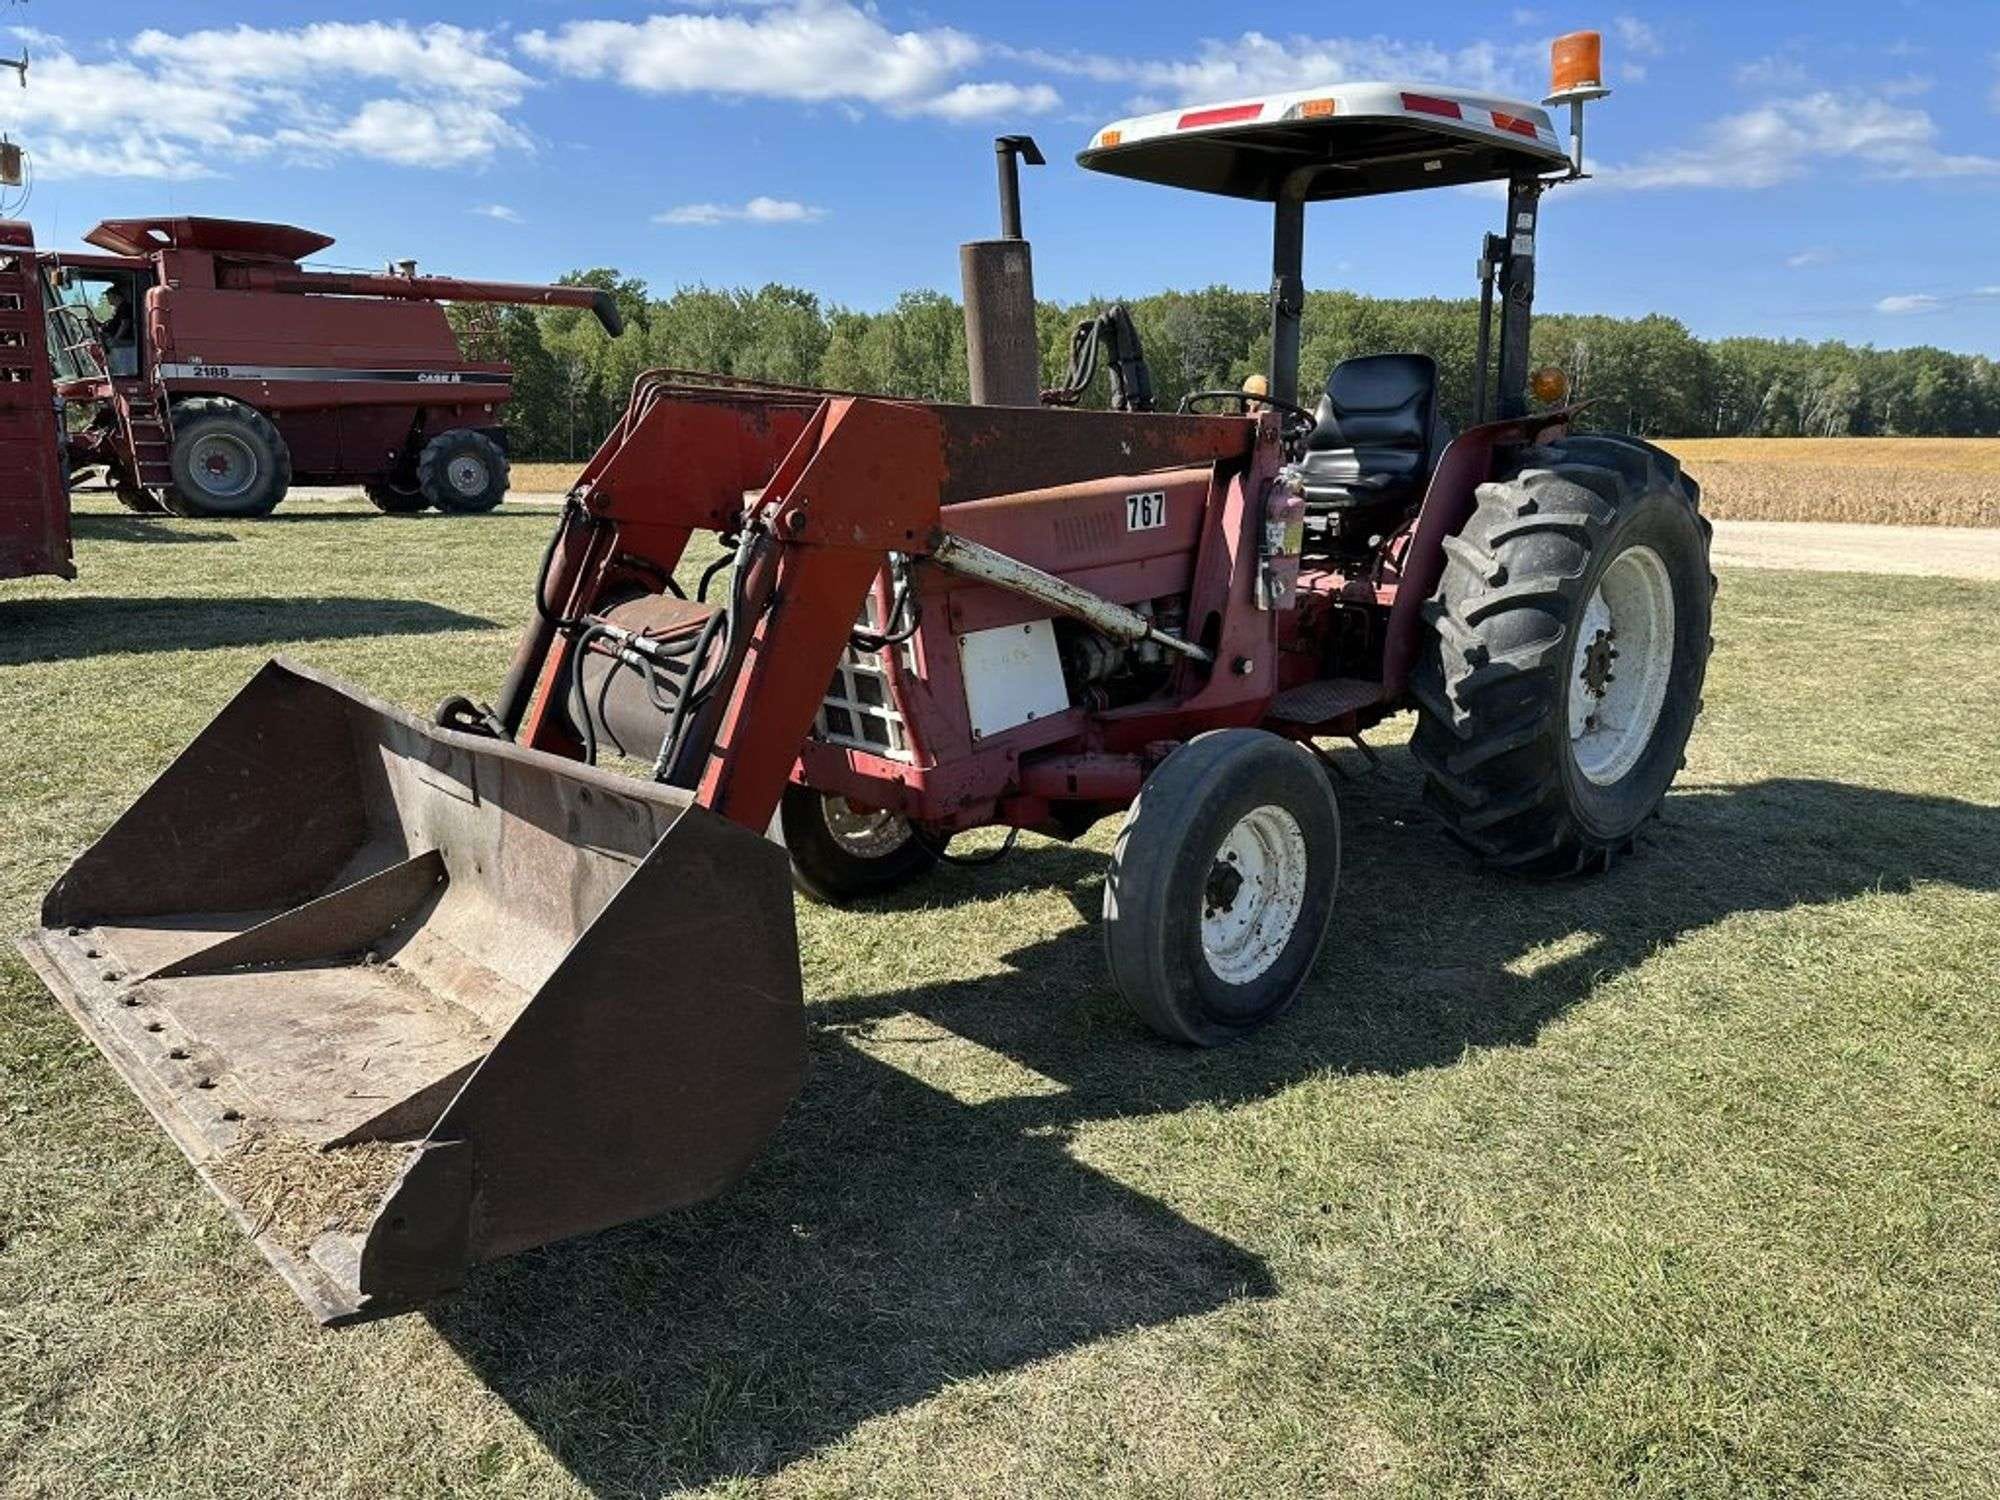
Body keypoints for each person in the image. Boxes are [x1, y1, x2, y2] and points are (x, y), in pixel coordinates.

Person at [98, 283, 137, 377]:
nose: (107, 299)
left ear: (116, 296)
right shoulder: (118, 309)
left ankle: (110, 372)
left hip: (124, 342)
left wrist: (115, 339)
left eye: (109, 296)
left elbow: (125, 324)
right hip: (117, 339)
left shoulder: (125, 307)